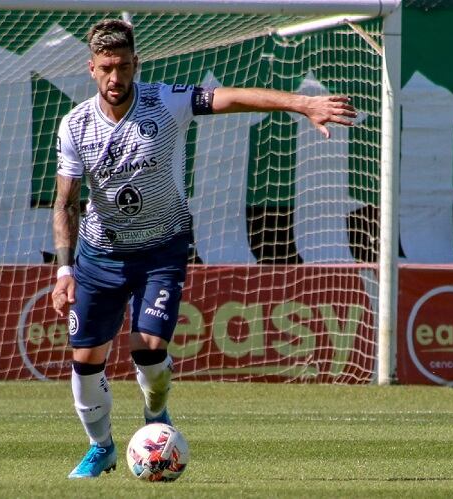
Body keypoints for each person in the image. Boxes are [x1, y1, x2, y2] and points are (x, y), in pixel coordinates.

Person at [51, 19, 357, 479]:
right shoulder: (75, 126)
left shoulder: (164, 101)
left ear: (138, 64)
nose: (117, 78)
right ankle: (102, 447)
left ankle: (156, 418)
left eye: (125, 66)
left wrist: (302, 103)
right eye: (108, 68)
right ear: (92, 68)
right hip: (101, 255)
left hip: (161, 250)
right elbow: (66, 202)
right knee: (86, 360)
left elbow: (231, 97)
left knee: (149, 347)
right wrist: (64, 271)